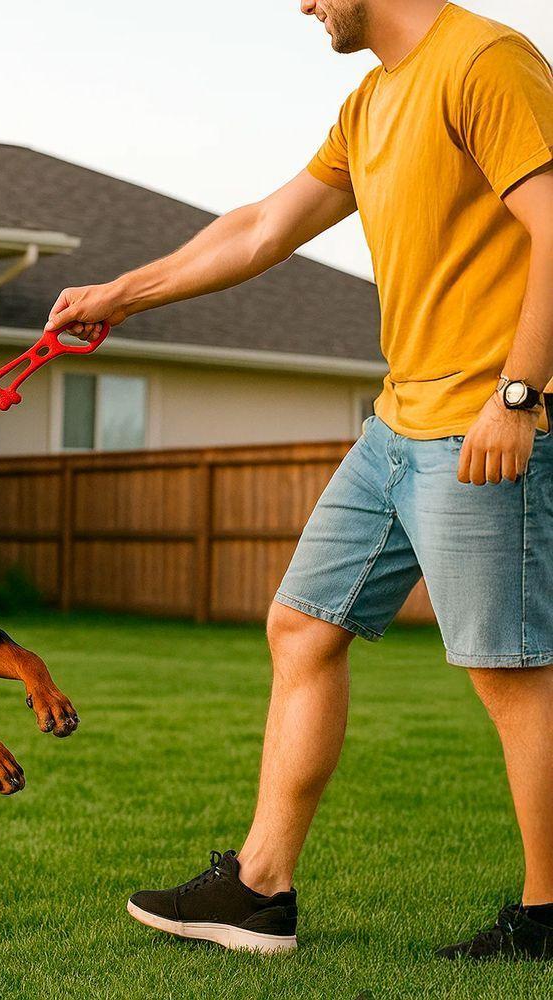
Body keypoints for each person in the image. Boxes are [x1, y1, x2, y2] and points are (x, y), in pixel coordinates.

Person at [46, 1, 553, 958]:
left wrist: (519, 394)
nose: (304, 3)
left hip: (480, 423)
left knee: (511, 674)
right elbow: (262, 228)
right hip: (397, 427)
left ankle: (548, 916)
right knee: (303, 625)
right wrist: (123, 294)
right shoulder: (371, 103)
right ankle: (260, 888)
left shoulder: (485, 61)